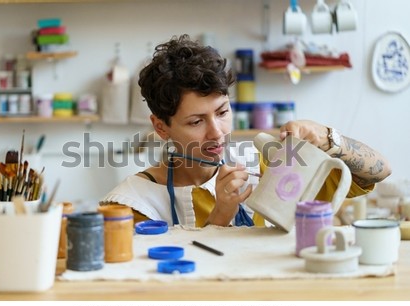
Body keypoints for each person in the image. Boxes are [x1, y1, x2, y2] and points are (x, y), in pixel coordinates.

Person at [100, 34, 392, 228]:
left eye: (223, 112)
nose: (217, 133)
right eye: (196, 121)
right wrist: (220, 216)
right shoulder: (133, 203)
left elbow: (378, 171)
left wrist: (327, 137)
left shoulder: (270, 167)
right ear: (161, 127)